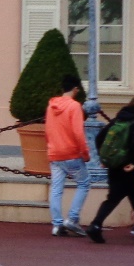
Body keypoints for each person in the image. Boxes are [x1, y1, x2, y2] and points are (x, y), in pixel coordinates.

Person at [86, 96, 134, 245]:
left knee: (112, 199)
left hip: (114, 167)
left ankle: (96, 225)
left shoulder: (117, 120)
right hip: (131, 168)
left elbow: (99, 138)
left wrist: (105, 158)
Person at [44, 74, 91, 237]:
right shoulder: (75, 106)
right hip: (71, 153)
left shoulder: (51, 106)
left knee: (56, 189)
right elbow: (78, 133)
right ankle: (72, 218)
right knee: (84, 183)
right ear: (75, 89)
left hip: (54, 152)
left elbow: (48, 130)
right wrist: (85, 153)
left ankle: (57, 224)